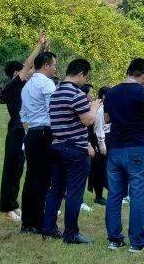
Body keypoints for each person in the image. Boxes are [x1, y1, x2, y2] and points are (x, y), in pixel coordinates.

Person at [104, 59, 144, 252]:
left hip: (115, 149)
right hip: (136, 148)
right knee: (137, 195)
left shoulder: (112, 92)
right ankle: (137, 242)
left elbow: (106, 118)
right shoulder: (143, 91)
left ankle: (114, 238)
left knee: (114, 195)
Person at [41, 58, 100, 244]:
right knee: (74, 192)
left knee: (55, 190)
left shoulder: (56, 92)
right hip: (75, 149)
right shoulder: (76, 93)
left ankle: (48, 227)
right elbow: (88, 121)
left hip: (57, 145)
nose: (85, 80)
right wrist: (94, 108)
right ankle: (71, 233)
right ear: (81, 74)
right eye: (85, 76)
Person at [0, 34, 48, 222]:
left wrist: (44, 51)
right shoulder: (12, 87)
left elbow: (35, 67)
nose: (29, 73)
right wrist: (38, 45)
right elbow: (30, 64)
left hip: (27, 131)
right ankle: (7, 209)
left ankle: (15, 205)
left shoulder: (26, 87)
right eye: (24, 71)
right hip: (16, 131)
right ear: (15, 74)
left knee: (21, 169)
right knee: (11, 169)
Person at [18, 51, 58, 234]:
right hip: (45, 132)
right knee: (44, 179)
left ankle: (28, 222)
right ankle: (42, 221)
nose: (55, 69)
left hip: (32, 133)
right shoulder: (47, 84)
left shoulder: (26, 86)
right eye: (54, 65)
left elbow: (23, 115)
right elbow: (54, 110)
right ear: (46, 65)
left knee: (31, 178)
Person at [87, 85, 109, 205]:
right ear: (105, 96)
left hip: (100, 140)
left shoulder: (102, 107)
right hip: (99, 141)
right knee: (99, 170)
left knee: (100, 170)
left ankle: (100, 195)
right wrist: (102, 146)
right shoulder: (100, 109)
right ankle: (99, 196)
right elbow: (99, 129)